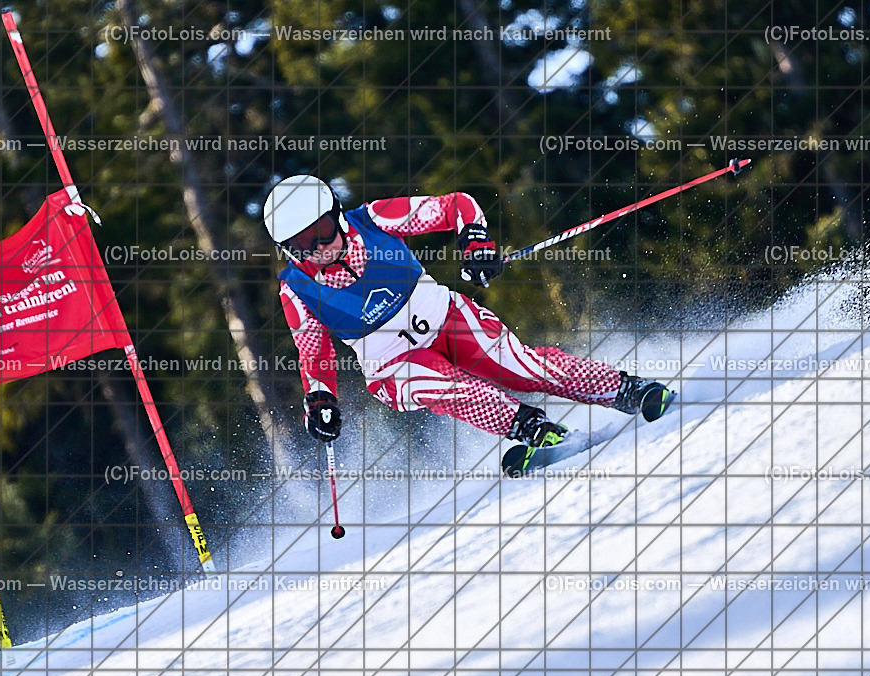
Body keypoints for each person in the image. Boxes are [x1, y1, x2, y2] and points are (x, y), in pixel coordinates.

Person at [265, 175, 673, 468]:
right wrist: (320, 401)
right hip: (390, 364)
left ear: (335, 216)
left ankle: (628, 391)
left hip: (446, 316)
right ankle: (535, 430)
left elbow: (456, 206)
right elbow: (313, 353)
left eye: (320, 231)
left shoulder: (373, 220)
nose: (318, 247)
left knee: (522, 368)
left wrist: (476, 244)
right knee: (445, 385)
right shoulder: (297, 289)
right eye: (302, 243)